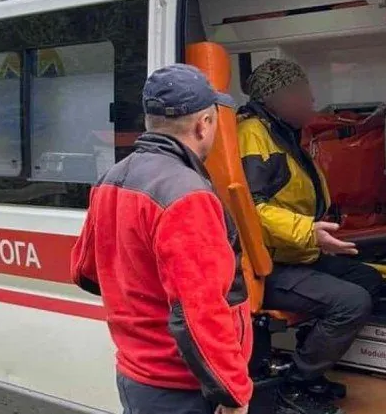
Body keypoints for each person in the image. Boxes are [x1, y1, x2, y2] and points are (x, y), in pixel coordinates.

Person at [70, 64, 253, 414]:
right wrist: (231, 394)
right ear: (204, 124)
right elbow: (199, 312)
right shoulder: (187, 195)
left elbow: (85, 271)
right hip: (182, 386)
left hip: (136, 375)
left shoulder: (112, 178)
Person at [237, 58, 383, 414]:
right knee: (351, 302)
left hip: (295, 251)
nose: (311, 98)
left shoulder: (282, 132)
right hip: (267, 265)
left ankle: (308, 359)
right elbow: (249, 209)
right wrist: (308, 231)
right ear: (278, 98)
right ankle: (296, 384)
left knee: (368, 278)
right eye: (301, 92)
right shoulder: (254, 135)